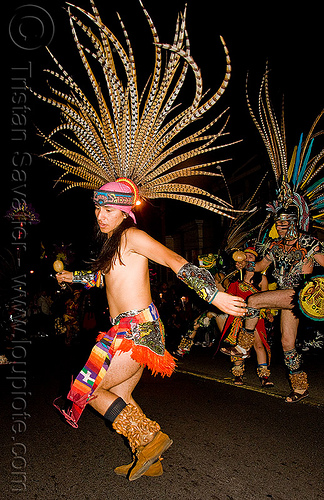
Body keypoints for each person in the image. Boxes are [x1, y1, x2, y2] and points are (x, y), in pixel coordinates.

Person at [55, 181, 247, 480]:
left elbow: (175, 260)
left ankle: (150, 439)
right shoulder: (114, 244)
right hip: (125, 328)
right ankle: (150, 458)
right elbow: (103, 279)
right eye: (97, 209)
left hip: (137, 329)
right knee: (120, 394)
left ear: (123, 212)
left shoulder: (133, 236)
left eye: (107, 210)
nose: (100, 216)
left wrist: (214, 295)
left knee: (85, 388)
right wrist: (72, 276)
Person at [222, 212, 324, 402]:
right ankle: (301, 388)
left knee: (254, 301)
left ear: (294, 222)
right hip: (284, 295)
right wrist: (246, 263)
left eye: (284, 223)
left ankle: (243, 347)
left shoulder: (309, 243)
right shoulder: (275, 245)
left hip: (299, 292)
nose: (280, 227)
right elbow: (260, 266)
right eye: (278, 224)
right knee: (287, 343)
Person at [220, 248, 273, 387]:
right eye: (246, 256)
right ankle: (238, 375)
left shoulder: (262, 279)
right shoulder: (235, 279)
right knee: (236, 345)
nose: (248, 259)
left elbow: (266, 297)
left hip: (256, 316)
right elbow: (229, 296)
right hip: (238, 316)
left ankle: (264, 376)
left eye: (251, 257)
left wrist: (268, 312)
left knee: (258, 345)